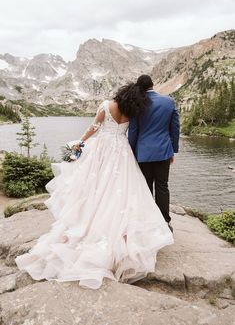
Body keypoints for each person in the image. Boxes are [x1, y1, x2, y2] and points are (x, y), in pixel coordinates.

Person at [15, 79, 174, 290]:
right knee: (122, 189)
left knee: (95, 187)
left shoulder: (107, 106)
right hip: (122, 151)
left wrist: (80, 141)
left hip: (102, 150)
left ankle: (87, 221)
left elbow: (95, 126)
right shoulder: (131, 112)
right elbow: (132, 133)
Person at [128, 75, 180, 232]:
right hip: (163, 152)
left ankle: (147, 221)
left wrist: (131, 151)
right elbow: (175, 129)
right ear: (152, 84)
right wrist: (173, 150)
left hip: (143, 153)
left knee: (146, 187)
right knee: (162, 187)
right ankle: (165, 222)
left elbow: (133, 131)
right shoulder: (168, 101)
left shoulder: (139, 103)